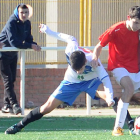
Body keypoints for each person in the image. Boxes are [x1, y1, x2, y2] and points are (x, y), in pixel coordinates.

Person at [4, 24, 115, 134]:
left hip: (89, 81)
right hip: (71, 82)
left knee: (109, 97)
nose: (78, 72)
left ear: (85, 62)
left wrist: (110, 98)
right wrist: (49, 31)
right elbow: (70, 38)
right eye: (75, 69)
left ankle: (128, 124)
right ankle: (19, 126)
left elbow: (106, 80)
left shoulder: (94, 62)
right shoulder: (70, 50)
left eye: (80, 69)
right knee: (46, 108)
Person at [91, 5, 140, 136]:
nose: (137, 27)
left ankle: (135, 125)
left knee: (131, 94)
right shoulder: (116, 29)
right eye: (135, 23)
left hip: (136, 68)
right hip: (118, 67)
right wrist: (95, 57)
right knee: (129, 89)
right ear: (128, 18)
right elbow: (99, 46)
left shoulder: (139, 31)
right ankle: (117, 128)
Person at [0, 4, 41, 115]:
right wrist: (29, 45)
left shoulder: (27, 23)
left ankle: (6, 105)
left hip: (13, 54)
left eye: (26, 12)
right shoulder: (11, 22)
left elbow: (28, 38)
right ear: (17, 12)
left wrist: (34, 44)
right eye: (21, 12)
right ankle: (15, 105)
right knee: (8, 80)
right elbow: (14, 42)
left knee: (12, 79)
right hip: (2, 54)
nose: (24, 15)